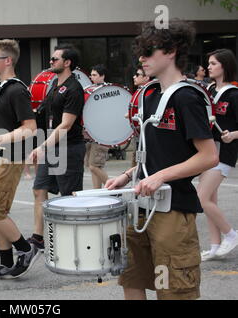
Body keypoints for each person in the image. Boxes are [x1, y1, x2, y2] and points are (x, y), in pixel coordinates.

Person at [105, 20, 218, 300]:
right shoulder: (150, 94)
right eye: (140, 52)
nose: (141, 58)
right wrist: (129, 174)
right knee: (131, 279)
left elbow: (209, 156)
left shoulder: (187, 97)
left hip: (172, 209)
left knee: (174, 290)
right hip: (139, 206)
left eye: (149, 51)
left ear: (171, 52)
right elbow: (155, 153)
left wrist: (160, 177)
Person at [0, 39, 39, 281]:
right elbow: (3, 124)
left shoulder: (16, 89)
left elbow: (30, 128)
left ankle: (25, 249)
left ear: (8, 61)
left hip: (9, 158)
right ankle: (5, 263)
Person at [28, 44, 86, 251]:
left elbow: (67, 124)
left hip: (68, 147)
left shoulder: (74, 88)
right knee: (39, 189)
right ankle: (38, 237)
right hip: (52, 146)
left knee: (68, 196)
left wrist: (42, 146)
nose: (51, 62)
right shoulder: (54, 84)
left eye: (55, 59)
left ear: (67, 62)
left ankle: (72, 241)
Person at [197, 48, 238, 261]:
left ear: (224, 66)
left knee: (201, 198)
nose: (208, 67)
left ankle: (231, 234)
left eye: (213, 63)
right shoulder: (210, 90)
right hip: (208, 151)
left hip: (224, 152)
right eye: (209, 63)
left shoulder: (234, 94)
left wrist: (233, 135)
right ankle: (214, 245)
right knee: (210, 198)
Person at [85, 64, 110, 188]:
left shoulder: (109, 91)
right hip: (90, 133)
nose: (91, 77)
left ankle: (114, 187)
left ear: (102, 76)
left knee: (94, 165)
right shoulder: (89, 89)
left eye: (95, 75)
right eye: (91, 75)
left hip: (102, 133)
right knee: (93, 166)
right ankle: (97, 192)